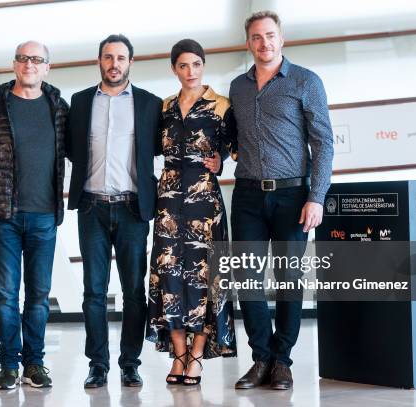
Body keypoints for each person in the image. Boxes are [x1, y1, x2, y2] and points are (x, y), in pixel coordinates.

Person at [229, 11, 334, 390]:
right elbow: (231, 137)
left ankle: (283, 361)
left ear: (282, 38)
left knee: (290, 278)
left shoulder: (306, 81)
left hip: (293, 195)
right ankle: (261, 358)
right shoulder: (238, 87)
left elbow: (323, 142)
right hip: (246, 196)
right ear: (248, 42)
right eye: (256, 37)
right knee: (247, 278)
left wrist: (316, 196)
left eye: (270, 36)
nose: (264, 43)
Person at [0, 41, 68, 389]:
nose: (29, 64)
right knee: (6, 295)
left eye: (37, 59)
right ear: (15, 64)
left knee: (38, 295)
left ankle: (34, 364)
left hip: (44, 216)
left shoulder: (59, 108)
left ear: (47, 67)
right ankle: (8, 365)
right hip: (1, 216)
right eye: (23, 58)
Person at [66, 34, 163, 389]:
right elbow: (70, 151)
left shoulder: (150, 105)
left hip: (132, 209)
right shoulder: (78, 103)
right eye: (108, 57)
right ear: (99, 61)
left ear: (130, 63)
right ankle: (98, 364)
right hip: (91, 206)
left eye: (121, 58)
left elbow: (163, 149)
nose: (114, 64)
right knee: (94, 291)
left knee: (134, 291)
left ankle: (130, 363)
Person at [146, 39, 237, 386]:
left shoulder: (222, 106)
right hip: (168, 202)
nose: (190, 72)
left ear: (204, 65)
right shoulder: (165, 108)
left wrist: (221, 161)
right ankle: (178, 354)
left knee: (204, 280)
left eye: (196, 64)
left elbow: (236, 147)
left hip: (205, 205)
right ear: (174, 69)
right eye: (183, 65)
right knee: (169, 277)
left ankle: (197, 357)